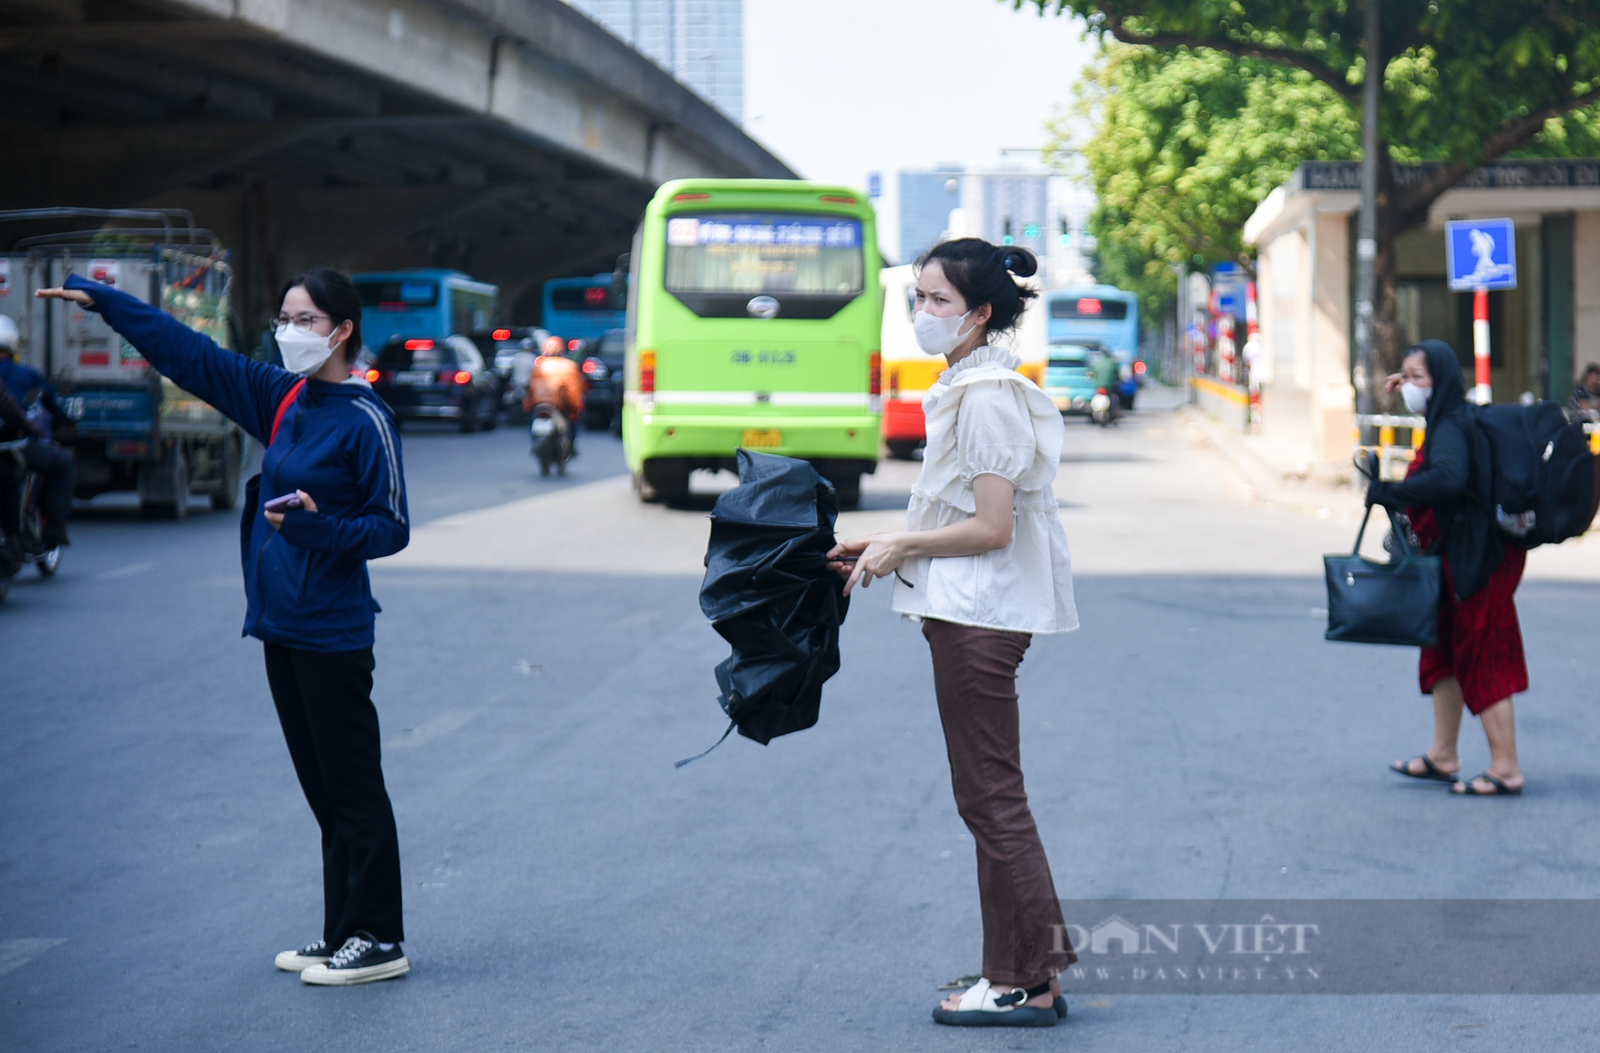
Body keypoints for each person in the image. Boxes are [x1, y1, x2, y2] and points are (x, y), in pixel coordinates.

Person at [37, 267, 414, 982]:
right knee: (322, 790)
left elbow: (391, 527)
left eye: (305, 320)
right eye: (284, 317)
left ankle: (380, 936)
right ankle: (342, 933)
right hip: (282, 626)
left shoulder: (366, 418)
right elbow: (193, 357)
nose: (289, 331)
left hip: (333, 631)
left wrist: (315, 526)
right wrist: (111, 303)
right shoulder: (284, 397)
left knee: (354, 786)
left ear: (342, 330)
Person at [828, 238, 1079, 1027]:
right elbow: (951, 513)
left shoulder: (990, 395)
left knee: (993, 798)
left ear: (978, 314)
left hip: (981, 618)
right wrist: (883, 538)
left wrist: (901, 546)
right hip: (965, 611)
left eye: (937, 301)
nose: (921, 313)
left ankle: (1026, 980)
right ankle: (1019, 968)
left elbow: (993, 526)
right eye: (918, 297)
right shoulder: (963, 384)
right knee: (987, 797)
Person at [1370, 339, 1527, 796]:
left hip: (1478, 558)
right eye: (1405, 377)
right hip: (1452, 556)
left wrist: (1392, 493)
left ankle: (1507, 767)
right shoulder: (1442, 419)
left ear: (1441, 381)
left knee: (1483, 650)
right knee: (1442, 652)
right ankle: (1443, 755)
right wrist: (1408, 379)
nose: (1408, 387)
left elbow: (1450, 479)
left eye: (1418, 378)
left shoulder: (1451, 427)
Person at [0, 315, 76, 549]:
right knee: (63, 464)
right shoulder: (25, 374)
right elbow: (13, 410)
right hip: (11, 444)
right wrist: (31, 427)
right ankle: (54, 530)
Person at [524, 334, 585, 453]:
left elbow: (529, 388)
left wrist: (528, 404)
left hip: (540, 404)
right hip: (560, 406)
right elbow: (575, 391)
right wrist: (576, 408)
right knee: (573, 421)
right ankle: (572, 446)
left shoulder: (539, 366)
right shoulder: (569, 366)